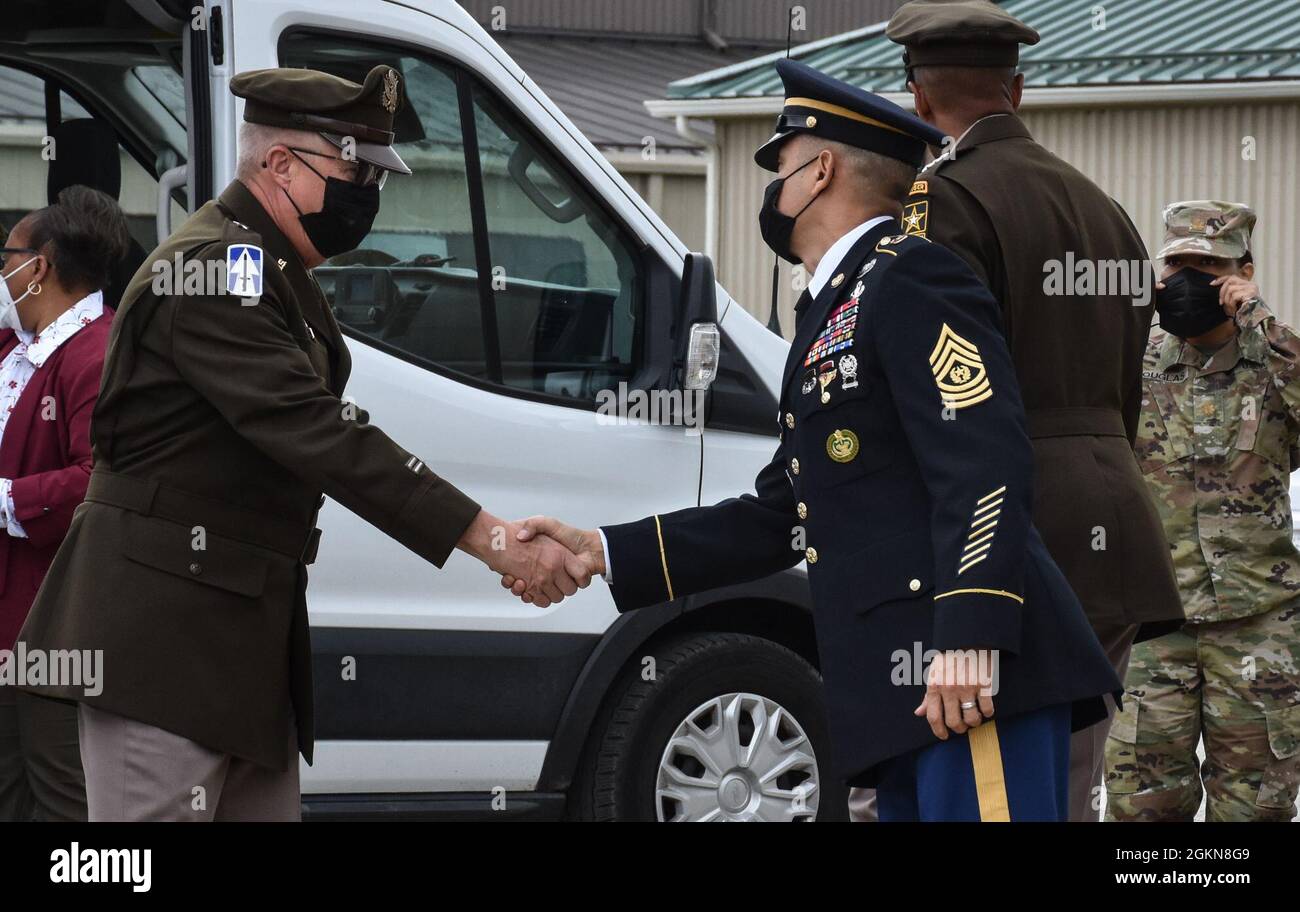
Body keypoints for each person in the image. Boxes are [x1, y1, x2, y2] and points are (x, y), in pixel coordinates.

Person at [504, 59, 1122, 821]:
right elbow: (781, 513)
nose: (773, 189)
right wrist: (602, 549)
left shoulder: (915, 278)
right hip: (904, 700)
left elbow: (985, 463)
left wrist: (970, 635)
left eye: (781, 167)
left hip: (967, 681)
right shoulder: (833, 309)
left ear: (821, 169)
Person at [16, 66, 589, 822]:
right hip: (163, 649)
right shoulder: (216, 269)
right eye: (353, 170)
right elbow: (316, 431)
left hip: (237, 654)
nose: (367, 195)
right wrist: (490, 538)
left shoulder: (271, 267)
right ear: (280, 165)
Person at [879, 0, 1183, 822]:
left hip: (1007, 527)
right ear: (1019, 89)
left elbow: (954, 400)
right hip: (1114, 510)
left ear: (917, 99)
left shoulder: (937, 204)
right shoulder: (1104, 208)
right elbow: (1124, 384)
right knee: (1070, 778)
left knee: (985, 786)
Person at [1105, 201, 1300, 822]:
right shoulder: (1130, 364)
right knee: (1143, 804)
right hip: (1152, 625)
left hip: (1257, 625)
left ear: (1242, 270)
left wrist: (1261, 320)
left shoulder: (1274, 362)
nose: (1187, 280)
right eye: (1177, 265)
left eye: (1208, 266)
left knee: (1256, 806)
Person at [0, 186, 127, 821]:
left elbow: (99, 477)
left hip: (55, 625)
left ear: (39, 266)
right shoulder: (18, 349)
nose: (2, 271)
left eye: (7, 258)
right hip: (11, 627)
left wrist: (7, 500)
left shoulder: (94, 355)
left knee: (60, 800)